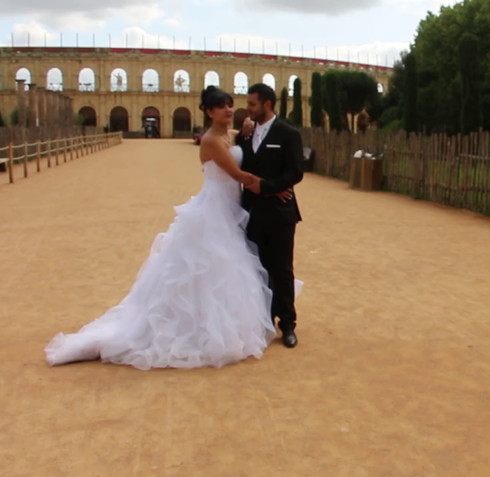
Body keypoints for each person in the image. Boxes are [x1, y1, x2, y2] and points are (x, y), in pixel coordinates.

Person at [44, 86, 285, 369]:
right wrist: (274, 188)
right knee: (208, 267)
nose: (229, 110)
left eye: (231, 105)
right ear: (209, 111)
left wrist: (249, 123)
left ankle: (217, 322)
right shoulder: (210, 141)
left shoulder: (227, 136)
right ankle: (197, 328)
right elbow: (238, 174)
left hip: (231, 208)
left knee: (224, 268)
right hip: (215, 208)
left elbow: (243, 140)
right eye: (222, 106)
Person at [236, 83, 305, 348]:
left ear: (267, 104)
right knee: (256, 268)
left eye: (252, 104)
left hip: (280, 213)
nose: (248, 108)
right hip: (251, 212)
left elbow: (296, 171)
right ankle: (262, 320)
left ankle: (287, 324)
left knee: (282, 269)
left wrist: (267, 187)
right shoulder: (246, 134)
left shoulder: (288, 134)